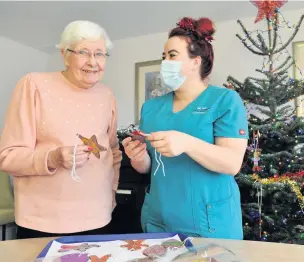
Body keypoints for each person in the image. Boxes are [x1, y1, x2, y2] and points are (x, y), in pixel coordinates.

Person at [122, 17, 248, 240]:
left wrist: (186, 142)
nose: (164, 62)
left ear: (195, 62)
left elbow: (231, 163)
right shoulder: (151, 108)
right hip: (158, 220)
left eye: (172, 55)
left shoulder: (225, 101)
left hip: (208, 222)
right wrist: (138, 157)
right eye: (163, 57)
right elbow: (149, 167)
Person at [0, 20, 122, 239]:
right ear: (65, 55)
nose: (93, 62)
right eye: (83, 52)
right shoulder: (33, 85)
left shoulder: (107, 95)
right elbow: (7, 156)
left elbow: (112, 152)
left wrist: (112, 191)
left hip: (99, 218)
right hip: (43, 224)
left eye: (100, 54)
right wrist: (52, 158)